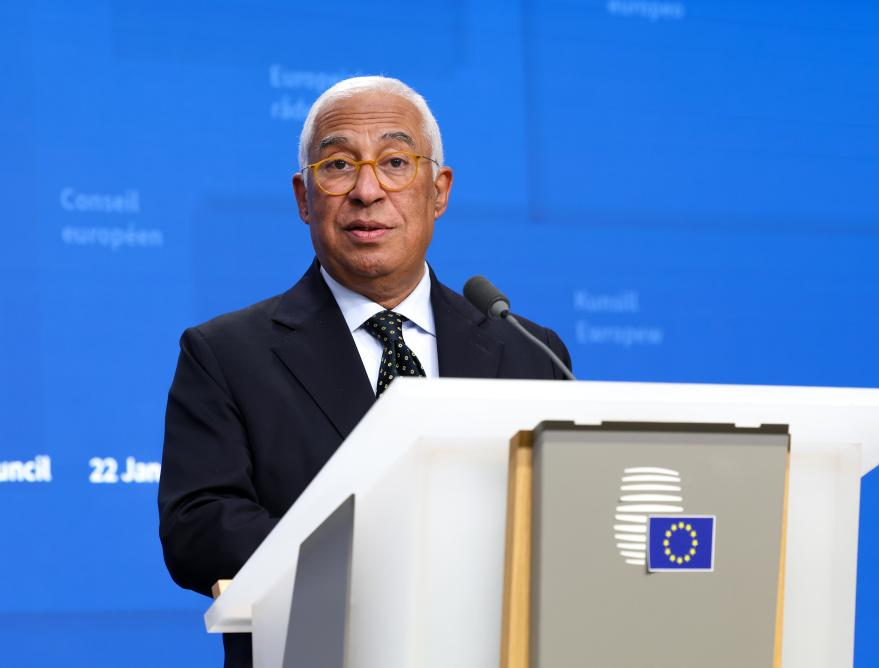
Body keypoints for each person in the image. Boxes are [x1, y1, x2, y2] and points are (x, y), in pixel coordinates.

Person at [157, 76, 571, 667]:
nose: (367, 190)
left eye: (396, 162)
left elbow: (563, 522)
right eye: (338, 165)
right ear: (304, 198)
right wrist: (384, 558)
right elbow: (198, 530)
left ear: (439, 191)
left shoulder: (530, 353)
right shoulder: (225, 354)